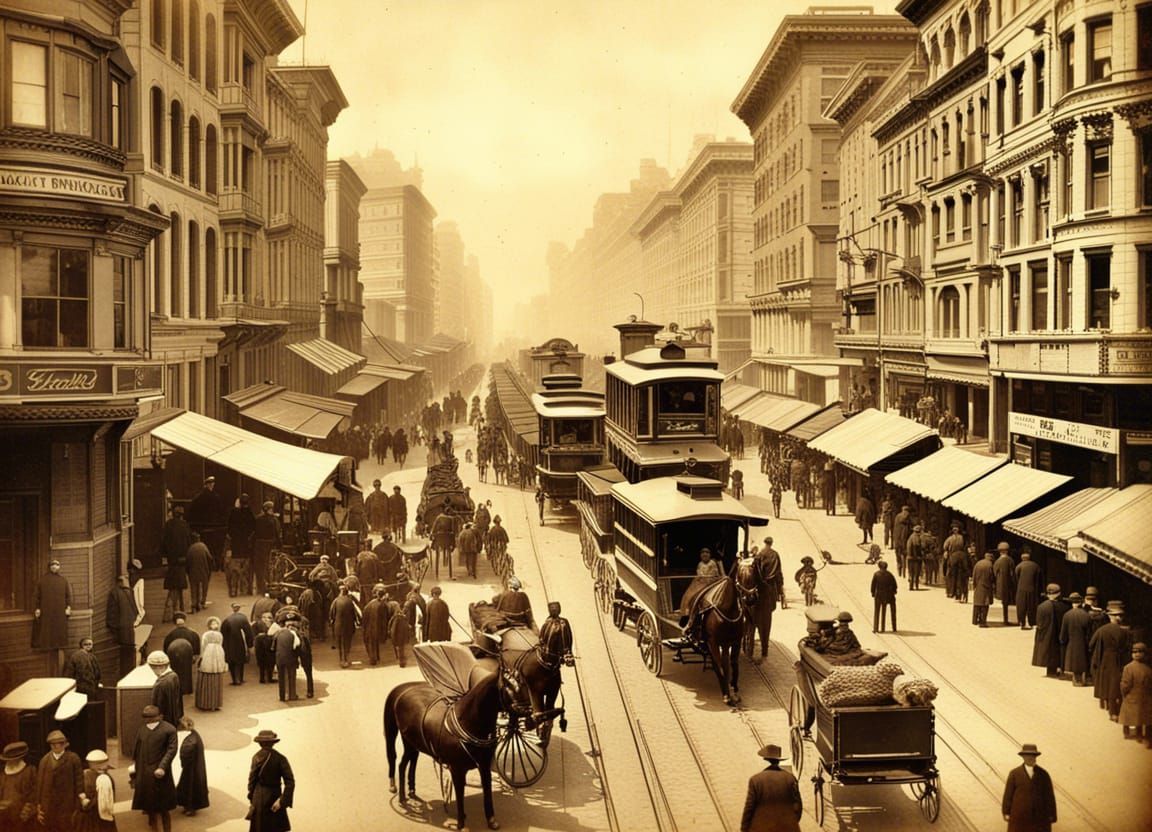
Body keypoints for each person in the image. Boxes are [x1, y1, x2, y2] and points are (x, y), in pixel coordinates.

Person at [131, 705, 177, 832]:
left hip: (161, 775)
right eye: (146, 718)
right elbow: (137, 750)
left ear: (159, 716)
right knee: (150, 806)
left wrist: (162, 767)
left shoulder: (169, 730)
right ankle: (154, 829)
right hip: (145, 773)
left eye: (151, 718)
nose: (148, 721)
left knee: (164, 808)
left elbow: (171, 750)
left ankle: (167, 830)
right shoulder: (142, 729)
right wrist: (135, 769)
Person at [740, 743, 802, 832]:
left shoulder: (756, 780)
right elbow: (798, 805)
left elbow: (749, 808)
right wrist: (791, 821)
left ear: (765, 759)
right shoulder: (790, 778)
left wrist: (744, 829)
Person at [34, 730, 84, 832]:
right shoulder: (44, 761)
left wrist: (78, 804)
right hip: (48, 805)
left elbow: (79, 782)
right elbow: (40, 784)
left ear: (64, 745)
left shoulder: (73, 759)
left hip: (67, 805)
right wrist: (39, 805)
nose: (56, 747)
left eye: (59, 744)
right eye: (53, 745)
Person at [1090, 602, 1132, 721]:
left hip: (1104, 659)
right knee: (1115, 684)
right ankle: (1115, 711)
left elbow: (1091, 644)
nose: (1120, 617)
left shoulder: (1102, 630)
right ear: (1114, 616)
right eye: (1119, 615)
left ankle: (1108, 706)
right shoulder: (1125, 631)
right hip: (1119, 660)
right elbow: (1128, 647)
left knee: (1107, 682)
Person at [1001, 743, 1057, 832]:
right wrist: (1006, 812)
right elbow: (1008, 795)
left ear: (1036, 757)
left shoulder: (1043, 774)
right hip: (1019, 816)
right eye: (1027, 755)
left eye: (1033, 755)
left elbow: (1049, 796)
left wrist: (1052, 814)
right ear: (1023, 757)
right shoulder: (1014, 773)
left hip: (1040, 817)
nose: (1030, 757)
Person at [246, 730, 294, 832]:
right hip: (274, 797)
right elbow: (290, 782)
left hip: (258, 798)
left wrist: (252, 799)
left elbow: (251, 781)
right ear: (273, 743)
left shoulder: (256, 757)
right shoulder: (281, 758)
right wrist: (282, 801)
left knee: (259, 828)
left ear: (259, 743)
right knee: (275, 827)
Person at [186, 476, 227, 571]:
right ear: (208, 485)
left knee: (204, 547)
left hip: (201, 529)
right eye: (211, 484)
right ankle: (214, 565)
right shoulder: (216, 498)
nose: (212, 485)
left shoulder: (198, 498)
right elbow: (221, 512)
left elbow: (192, 513)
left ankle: (205, 565)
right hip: (214, 528)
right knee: (214, 548)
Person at [32, 559, 72, 651]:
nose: (55, 566)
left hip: (60, 610)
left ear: (59, 567)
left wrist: (68, 607)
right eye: (53, 565)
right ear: (49, 567)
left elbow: (68, 596)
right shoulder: (42, 580)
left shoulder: (63, 580)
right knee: (46, 630)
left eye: (57, 564)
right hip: (46, 609)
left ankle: (58, 645)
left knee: (59, 631)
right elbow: (36, 596)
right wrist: (37, 608)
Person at [106, 573, 141, 677]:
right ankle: (128, 674)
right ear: (120, 581)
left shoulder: (125, 591)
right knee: (127, 654)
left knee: (127, 653)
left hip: (126, 629)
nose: (127, 581)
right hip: (126, 629)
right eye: (125, 579)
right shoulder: (122, 592)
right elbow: (113, 612)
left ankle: (128, 674)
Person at [1032, 585, 1069, 678]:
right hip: (1058, 633)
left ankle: (1050, 671)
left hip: (1046, 634)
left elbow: (1039, 623)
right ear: (1059, 593)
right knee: (1057, 651)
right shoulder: (1064, 606)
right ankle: (1059, 668)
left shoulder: (1042, 607)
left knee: (1048, 651)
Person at [74, 748, 115, 832]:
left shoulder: (102, 779)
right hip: (100, 817)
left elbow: (102, 800)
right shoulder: (106, 777)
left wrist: (85, 803)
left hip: (93, 817)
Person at [175, 717, 208, 817]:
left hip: (190, 768)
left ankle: (190, 808)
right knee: (190, 787)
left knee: (189, 788)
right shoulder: (194, 734)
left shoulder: (190, 740)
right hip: (194, 767)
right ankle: (188, 806)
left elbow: (185, 754)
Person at [1120, 642, 1152, 746]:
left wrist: (1123, 692)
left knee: (1128, 713)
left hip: (1131, 696)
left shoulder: (1128, 668)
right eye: (1135, 652)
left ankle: (1127, 732)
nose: (1137, 654)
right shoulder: (1148, 669)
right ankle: (1144, 736)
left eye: (1139, 652)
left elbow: (1125, 684)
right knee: (1144, 716)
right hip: (1144, 698)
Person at [1, 740, 36, 830]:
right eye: (8, 760)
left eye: (12, 760)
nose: (10, 762)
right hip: (4, 817)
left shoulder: (30, 771)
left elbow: (34, 794)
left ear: (19, 758)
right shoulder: (2, 774)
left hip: (22, 818)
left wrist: (27, 811)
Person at [1059, 592, 1092, 686]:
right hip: (1083, 642)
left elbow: (1063, 634)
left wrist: (1062, 640)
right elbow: (1089, 632)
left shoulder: (1067, 615)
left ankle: (1076, 679)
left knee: (1074, 661)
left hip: (1071, 643)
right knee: (1083, 660)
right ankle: (1084, 678)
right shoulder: (1086, 615)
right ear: (1081, 602)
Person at [196, 616, 226, 711]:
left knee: (206, 676)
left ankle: (205, 703)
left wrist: (201, 658)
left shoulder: (206, 635)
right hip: (218, 655)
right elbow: (221, 645)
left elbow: (203, 647)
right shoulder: (220, 635)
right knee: (216, 677)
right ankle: (215, 703)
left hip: (208, 655)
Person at [252, 501, 282, 596]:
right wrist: (280, 545)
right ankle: (269, 586)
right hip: (269, 545)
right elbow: (277, 534)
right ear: (269, 509)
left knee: (259, 566)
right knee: (269, 566)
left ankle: (260, 587)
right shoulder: (274, 520)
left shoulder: (258, 519)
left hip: (259, 545)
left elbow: (254, 533)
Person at [147, 650, 184, 726]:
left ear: (158, 667)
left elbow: (157, 708)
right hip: (175, 719)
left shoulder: (160, 685)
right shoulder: (174, 676)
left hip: (164, 724)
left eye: (152, 668)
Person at [221, 602, 254, 685]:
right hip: (239, 642)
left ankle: (235, 679)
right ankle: (240, 678)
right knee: (240, 660)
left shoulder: (227, 619)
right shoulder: (243, 618)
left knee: (231, 661)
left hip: (228, 643)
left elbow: (222, 633)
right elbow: (248, 632)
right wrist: (250, 644)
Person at [330, 583, 359, 668]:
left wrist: (332, 622)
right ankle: (346, 659)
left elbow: (331, 614)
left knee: (339, 643)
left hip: (338, 626)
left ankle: (341, 660)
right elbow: (354, 614)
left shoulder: (335, 601)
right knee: (347, 643)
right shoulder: (350, 602)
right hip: (348, 626)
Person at [272, 618, 301, 702]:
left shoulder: (278, 633)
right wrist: (297, 658)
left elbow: (273, 647)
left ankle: (282, 696)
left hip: (279, 658)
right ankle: (292, 695)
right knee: (291, 676)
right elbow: (297, 646)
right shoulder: (294, 634)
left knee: (281, 678)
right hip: (290, 658)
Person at [185, 533, 212, 614]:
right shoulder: (203, 546)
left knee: (194, 588)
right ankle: (202, 602)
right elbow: (210, 558)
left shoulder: (190, 549)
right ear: (199, 539)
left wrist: (187, 571)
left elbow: (187, 561)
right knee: (204, 587)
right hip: (204, 570)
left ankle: (194, 604)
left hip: (193, 572)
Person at [1015, 551, 1042, 629]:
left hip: (1021, 589)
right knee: (1032, 606)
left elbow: (1016, 578)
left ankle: (1021, 622)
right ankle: (1032, 622)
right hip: (1032, 589)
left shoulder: (1019, 566)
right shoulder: (1035, 566)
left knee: (1021, 606)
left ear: (1022, 558)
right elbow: (1038, 579)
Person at [361, 587, 388, 663]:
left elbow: (364, 614)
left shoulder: (370, 603)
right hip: (378, 628)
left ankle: (373, 658)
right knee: (375, 643)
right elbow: (385, 619)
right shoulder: (383, 605)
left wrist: (364, 626)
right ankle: (376, 657)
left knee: (370, 643)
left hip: (369, 627)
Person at [870, 560, 898, 634]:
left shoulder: (876, 574)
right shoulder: (890, 575)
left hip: (879, 596)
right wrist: (894, 592)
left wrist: (873, 593)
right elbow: (895, 585)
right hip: (889, 596)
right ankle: (894, 627)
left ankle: (876, 628)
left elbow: (873, 585)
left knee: (877, 611)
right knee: (892, 610)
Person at [993, 542, 1017, 626]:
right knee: (1007, 603)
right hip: (1009, 585)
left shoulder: (997, 561)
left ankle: (1005, 619)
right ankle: (1006, 619)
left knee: (1004, 603)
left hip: (1000, 585)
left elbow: (995, 573)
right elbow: (1013, 574)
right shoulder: (1010, 560)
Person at [972, 551, 996, 627]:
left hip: (978, 586)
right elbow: (991, 577)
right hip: (986, 587)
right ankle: (983, 622)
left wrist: (975, 585)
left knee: (977, 604)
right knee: (985, 605)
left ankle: (975, 620)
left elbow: (974, 575)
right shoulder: (990, 565)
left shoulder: (978, 563)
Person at [387, 593, 411, 667]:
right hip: (402, 636)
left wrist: (392, 636)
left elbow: (393, 628)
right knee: (401, 649)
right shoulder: (402, 617)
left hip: (398, 636)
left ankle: (401, 662)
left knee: (400, 650)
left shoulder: (395, 618)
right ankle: (402, 661)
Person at [892, 505, 911, 575]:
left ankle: (899, 568)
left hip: (897, 540)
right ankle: (904, 570)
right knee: (905, 555)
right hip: (903, 541)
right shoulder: (907, 519)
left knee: (898, 555)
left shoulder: (897, 517)